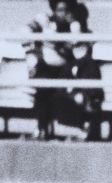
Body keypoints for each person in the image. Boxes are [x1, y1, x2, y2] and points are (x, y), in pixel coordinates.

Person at [25, 0, 102, 140]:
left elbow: (77, 50)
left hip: (68, 69)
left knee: (85, 77)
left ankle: (88, 126)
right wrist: (33, 57)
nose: (63, 13)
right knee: (43, 83)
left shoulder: (75, 26)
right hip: (48, 67)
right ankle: (41, 128)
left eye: (66, 10)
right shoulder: (46, 21)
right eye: (59, 10)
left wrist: (64, 38)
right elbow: (26, 31)